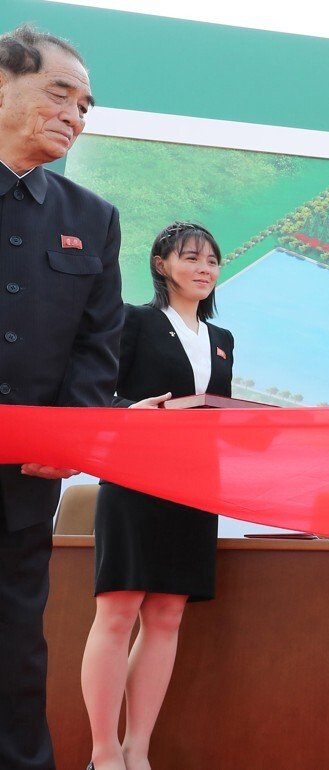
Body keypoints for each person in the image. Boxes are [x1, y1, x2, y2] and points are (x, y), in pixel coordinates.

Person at [0, 24, 122, 770]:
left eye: (85, 105)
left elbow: (96, 346)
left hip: (22, 488)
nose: (75, 114)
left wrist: (71, 435)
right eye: (59, 92)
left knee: (16, 645)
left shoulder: (90, 219)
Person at [80, 222, 234, 770]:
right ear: (160, 264)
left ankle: (137, 750)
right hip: (135, 479)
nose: (204, 269)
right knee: (119, 610)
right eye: (191, 258)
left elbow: (218, 410)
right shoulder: (134, 321)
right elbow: (100, 390)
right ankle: (102, 753)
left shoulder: (221, 339)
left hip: (194, 485)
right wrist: (130, 413)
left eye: (213, 261)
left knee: (167, 613)